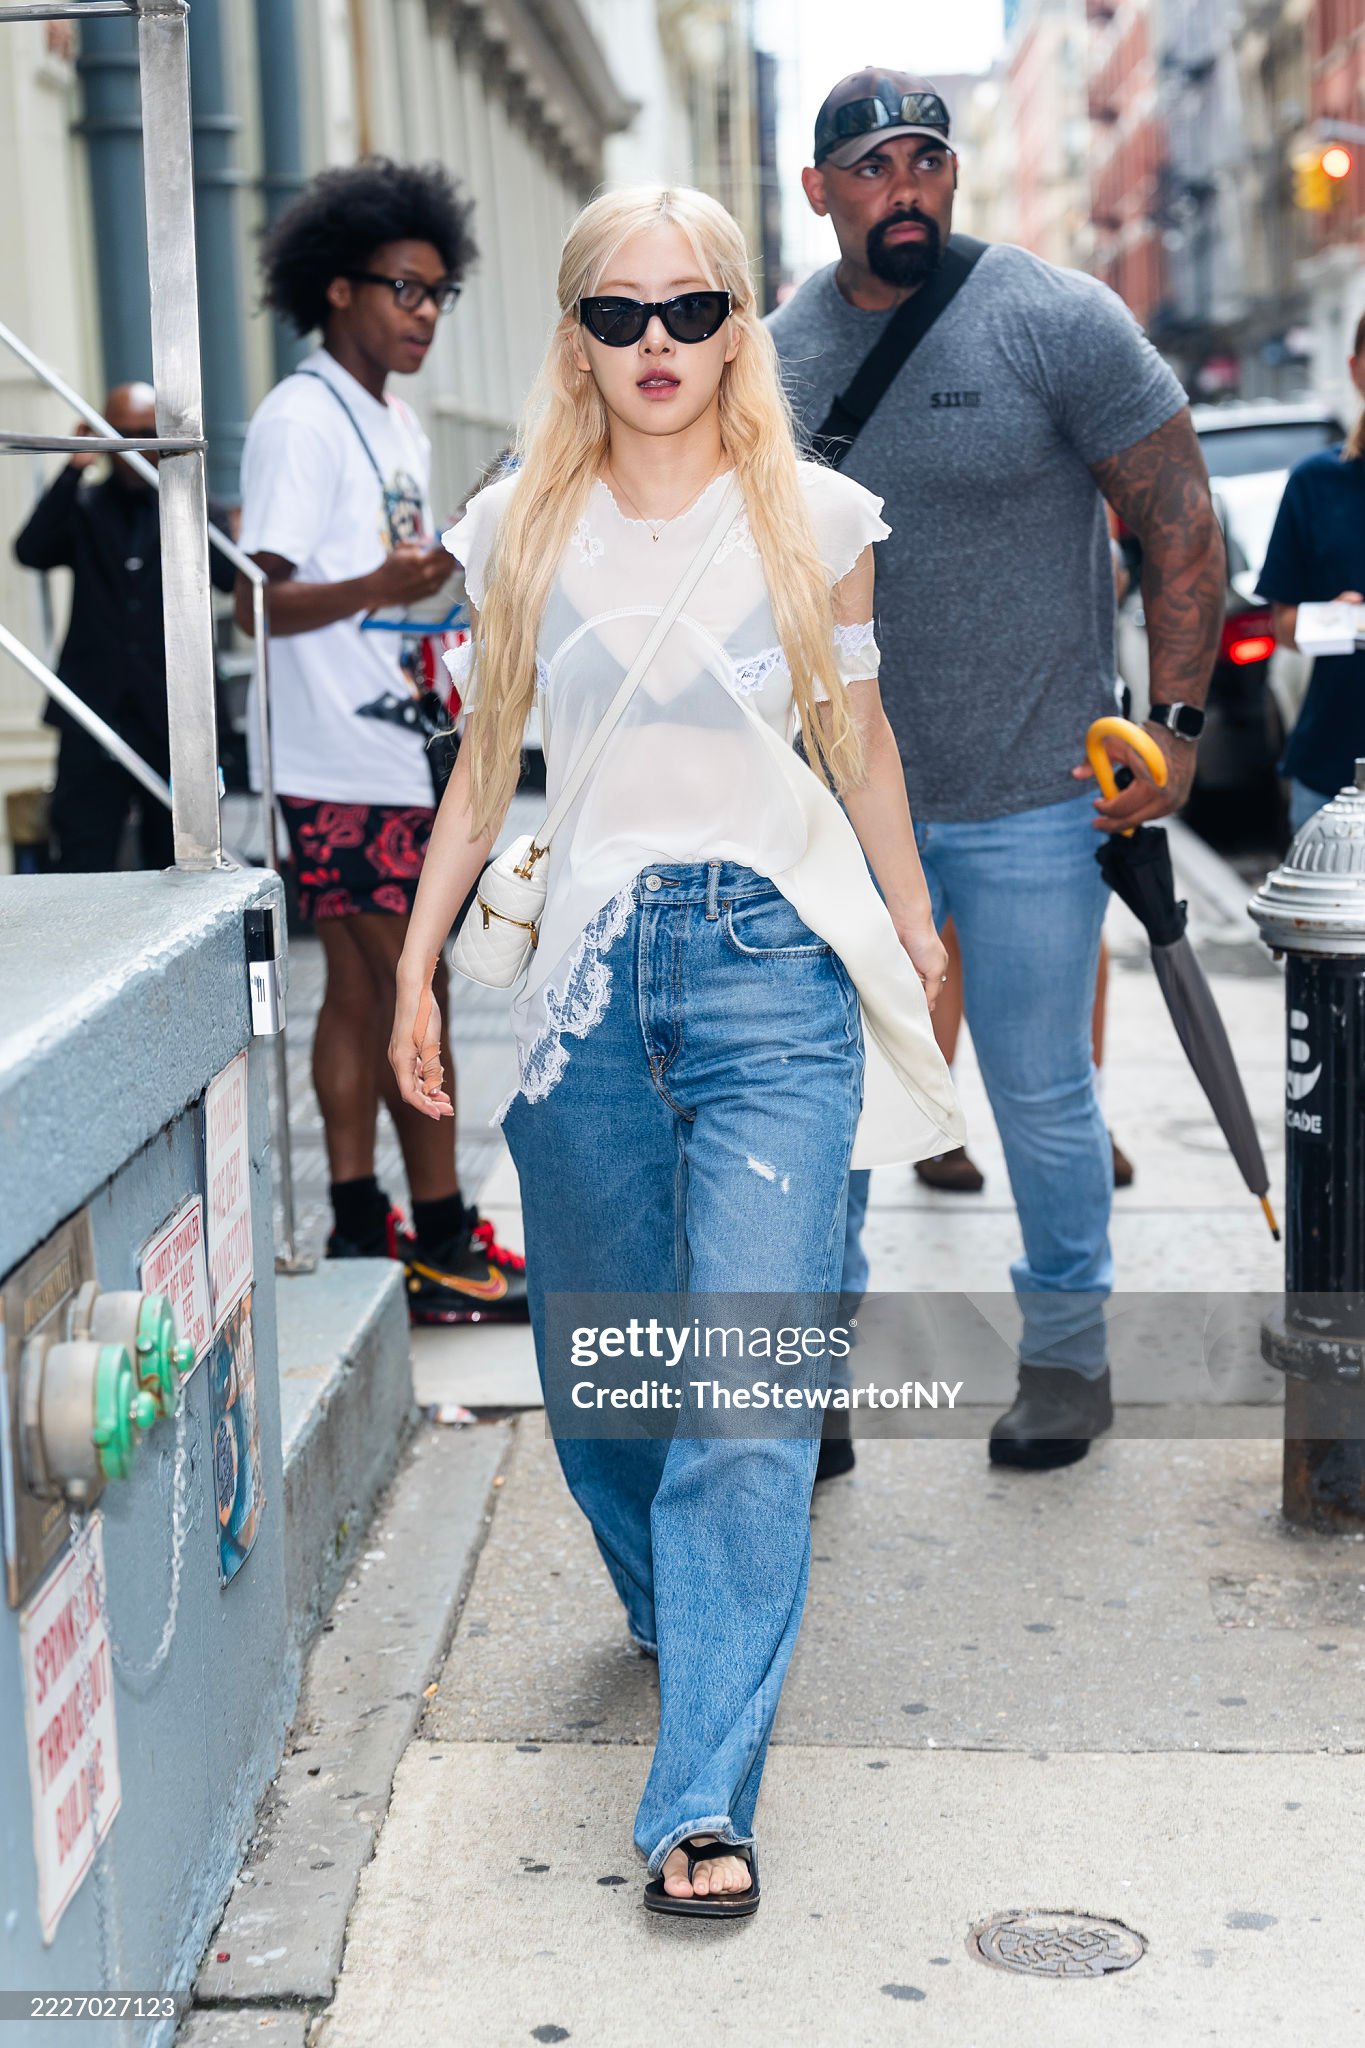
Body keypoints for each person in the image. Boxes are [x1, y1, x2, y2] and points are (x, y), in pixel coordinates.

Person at [388, 186, 961, 1915]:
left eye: (694, 309)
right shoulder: (517, 525)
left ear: (735, 330)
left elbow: (859, 738)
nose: (659, 342)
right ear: (575, 336)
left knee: (747, 1393)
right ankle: (675, 1599)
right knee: (606, 1377)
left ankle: (702, 1790)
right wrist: (414, 972)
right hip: (582, 983)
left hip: (772, 965)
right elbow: (483, 768)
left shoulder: (815, 512)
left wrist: (915, 925)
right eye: (622, 313)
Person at [768, 68, 1225, 1472]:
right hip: (847, 811)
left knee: (1042, 1095)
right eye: (871, 167)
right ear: (818, 190)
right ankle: (815, 1386)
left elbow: (1179, 519)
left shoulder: (1051, 317)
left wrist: (1176, 730)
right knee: (836, 1101)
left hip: (1036, 795)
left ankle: (1067, 1361)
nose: (904, 187)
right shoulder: (769, 358)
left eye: (925, 159)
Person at [236, 157, 526, 1321]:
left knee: (364, 993)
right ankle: (442, 1238)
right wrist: (378, 585)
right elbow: (253, 600)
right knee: (416, 989)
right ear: (337, 288)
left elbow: (386, 579)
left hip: (397, 752)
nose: (424, 314)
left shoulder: (392, 419)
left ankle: (365, 1231)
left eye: (437, 293)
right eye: (403, 289)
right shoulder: (301, 419)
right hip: (334, 763)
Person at [13, 383, 237, 871]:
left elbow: (228, 577)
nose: (134, 448)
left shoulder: (194, 506)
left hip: (176, 710)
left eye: (145, 434)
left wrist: (188, 484)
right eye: (121, 434)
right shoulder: (85, 504)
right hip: (95, 706)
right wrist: (75, 465)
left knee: (179, 853)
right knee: (83, 848)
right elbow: (31, 550)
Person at [1258, 311, 1365, 833]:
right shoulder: (1315, 482)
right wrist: (1335, 619)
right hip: (1335, 771)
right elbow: (1282, 626)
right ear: (1356, 369)